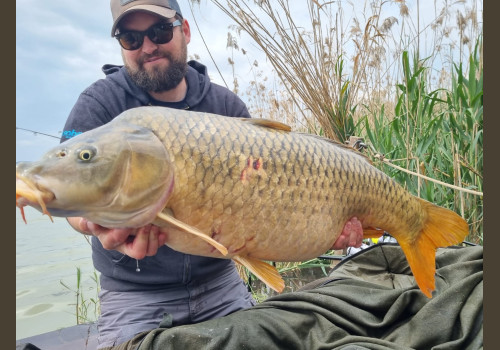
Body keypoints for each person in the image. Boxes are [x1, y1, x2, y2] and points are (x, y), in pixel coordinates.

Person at [60, 0, 364, 348]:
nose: (147, 46)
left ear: (184, 30)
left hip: (221, 282)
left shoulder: (227, 109)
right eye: (131, 38)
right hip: (135, 296)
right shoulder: (99, 105)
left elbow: (269, 206)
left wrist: (326, 226)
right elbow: (71, 185)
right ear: (121, 46)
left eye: (159, 31)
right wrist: (91, 223)